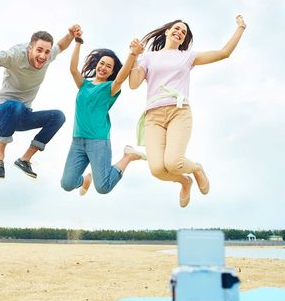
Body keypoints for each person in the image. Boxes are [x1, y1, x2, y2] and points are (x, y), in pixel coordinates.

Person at [129, 15, 247, 207]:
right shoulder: (148, 57)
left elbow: (224, 53)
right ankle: (184, 181)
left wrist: (241, 27)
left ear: (184, 40)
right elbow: (133, 84)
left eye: (183, 33)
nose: (179, 32)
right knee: (157, 169)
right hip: (153, 116)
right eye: (176, 28)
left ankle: (197, 169)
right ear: (167, 31)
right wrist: (134, 56)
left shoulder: (188, 57)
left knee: (174, 163)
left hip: (179, 111)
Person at [0, 24, 82, 179]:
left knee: (58, 116)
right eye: (39, 50)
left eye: (47, 52)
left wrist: (70, 34)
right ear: (30, 48)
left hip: (24, 115)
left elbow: (61, 46)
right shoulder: (14, 56)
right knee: (16, 106)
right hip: (3, 111)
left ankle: (25, 159)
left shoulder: (48, 56)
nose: (43, 56)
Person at [60, 32, 146, 196]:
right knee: (67, 184)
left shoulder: (111, 88)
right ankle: (85, 179)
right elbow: (72, 69)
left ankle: (127, 156)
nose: (103, 67)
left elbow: (120, 79)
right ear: (96, 64)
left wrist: (133, 54)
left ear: (112, 71)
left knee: (103, 187)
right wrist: (78, 41)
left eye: (108, 66)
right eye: (102, 63)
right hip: (77, 141)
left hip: (98, 142)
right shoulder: (84, 85)